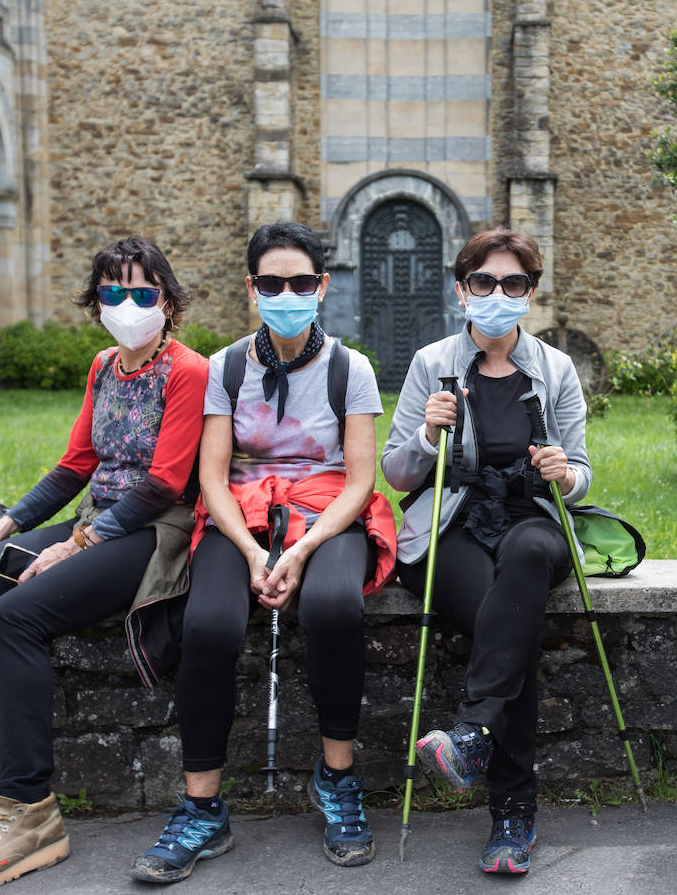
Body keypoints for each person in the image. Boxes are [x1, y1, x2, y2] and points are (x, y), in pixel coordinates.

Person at [0, 235, 208, 893]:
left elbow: (165, 485)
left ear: (168, 304)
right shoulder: (103, 367)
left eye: (142, 292)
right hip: (94, 523)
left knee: (14, 618)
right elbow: (73, 466)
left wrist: (74, 546)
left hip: (154, 532)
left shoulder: (188, 371)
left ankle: (29, 811)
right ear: (96, 304)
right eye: (112, 292)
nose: (127, 303)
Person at [131, 221, 393, 883]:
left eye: (300, 282)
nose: (286, 292)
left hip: (327, 512)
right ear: (252, 289)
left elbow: (361, 478)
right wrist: (251, 552)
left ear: (322, 287)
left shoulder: (350, 367)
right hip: (240, 513)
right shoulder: (226, 367)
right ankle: (202, 806)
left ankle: (337, 780)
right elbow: (212, 477)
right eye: (271, 282)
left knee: (334, 607)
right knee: (209, 623)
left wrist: (302, 549)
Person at [382, 228, 589, 875]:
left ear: (530, 293)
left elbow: (582, 472)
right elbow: (397, 473)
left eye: (514, 284)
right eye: (484, 282)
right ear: (461, 289)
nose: (498, 294)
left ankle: (471, 735)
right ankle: (512, 812)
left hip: (532, 517)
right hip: (452, 523)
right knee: (513, 626)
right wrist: (424, 433)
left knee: (526, 562)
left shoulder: (554, 367)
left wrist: (564, 472)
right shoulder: (431, 364)